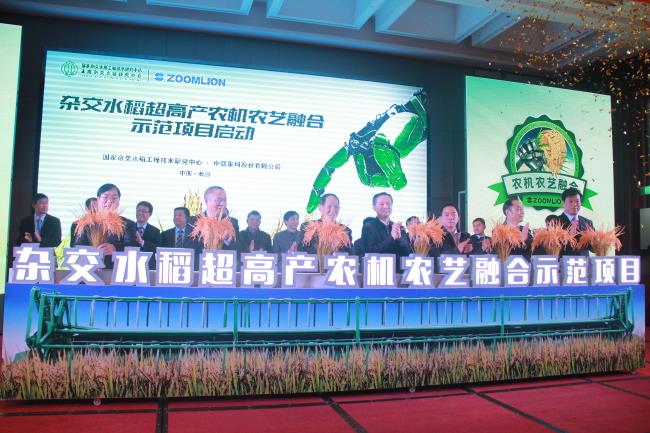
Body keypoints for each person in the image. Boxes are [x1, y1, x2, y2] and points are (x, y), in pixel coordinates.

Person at [75, 184, 137, 268]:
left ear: (119, 202)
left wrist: (115, 248)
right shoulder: (86, 223)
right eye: (105, 197)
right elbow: (78, 246)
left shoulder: (127, 224)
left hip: (117, 269)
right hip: (89, 269)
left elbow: (132, 246)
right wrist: (94, 252)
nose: (109, 201)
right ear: (98, 200)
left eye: (114, 198)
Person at [361, 192, 410, 259]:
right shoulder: (368, 227)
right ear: (374, 207)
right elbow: (370, 251)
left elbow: (406, 254)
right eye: (382, 204)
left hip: (396, 265)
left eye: (388, 204)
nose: (385, 206)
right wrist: (392, 238)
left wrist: (399, 240)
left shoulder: (399, 228)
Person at [557, 187, 594, 256]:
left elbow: (593, 249)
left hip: (584, 262)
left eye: (577, 201)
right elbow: (551, 248)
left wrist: (599, 242)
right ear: (563, 203)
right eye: (570, 201)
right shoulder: (555, 222)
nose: (574, 204)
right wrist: (568, 238)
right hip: (564, 261)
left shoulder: (588, 223)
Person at [202, 186, 239, 250]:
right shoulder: (193, 221)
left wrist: (227, 239)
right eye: (218, 200)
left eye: (224, 200)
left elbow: (238, 249)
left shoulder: (232, 222)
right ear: (206, 201)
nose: (222, 203)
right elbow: (189, 247)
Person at [135, 201, 161, 269]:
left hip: (148, 266)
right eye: (138, 210)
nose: (140, 213)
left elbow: (157, 249)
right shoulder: (128, 228)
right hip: (131, 264)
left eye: (144, 211)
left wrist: (142, 242)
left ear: (150, 214)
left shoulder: (155, 231)